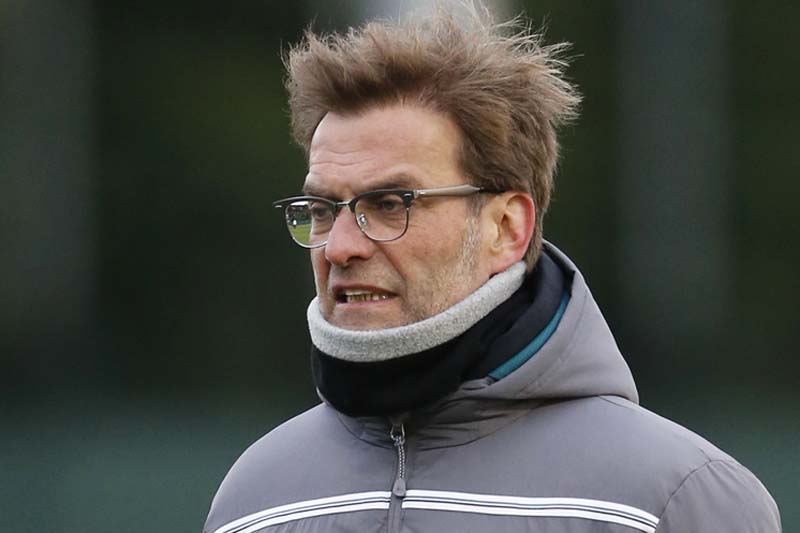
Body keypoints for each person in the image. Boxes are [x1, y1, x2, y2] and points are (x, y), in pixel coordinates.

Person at [204, 5, 781, 533]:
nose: (340, 248)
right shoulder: (253, 499)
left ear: (506, 229)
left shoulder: (675, 500)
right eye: (325, 209)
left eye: (389, 204)